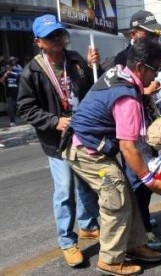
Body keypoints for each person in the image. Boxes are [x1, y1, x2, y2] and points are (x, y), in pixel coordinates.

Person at [62, 39, 161, 276]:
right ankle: (110, 260)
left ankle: (134, 245)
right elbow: (128, 147)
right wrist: (151, 180)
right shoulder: (127, 98)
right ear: (141, 67)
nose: (158, 75)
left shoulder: (119, 73)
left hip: (90, 144)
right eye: (156, 69)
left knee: (126, 195)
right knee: (116, 198)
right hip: (85, 149)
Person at [16, 14, 100, 267]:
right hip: (57, 141)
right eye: (50, 37)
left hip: (82, 135)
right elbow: (25, 108)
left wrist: (93, 65)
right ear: (38, 42)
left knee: (85, 184)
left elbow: (89, 89)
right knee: (65, 191)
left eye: (59, 35)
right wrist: (54, 121)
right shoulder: (32, 71)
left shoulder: (75, 60)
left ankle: (87, 225)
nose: (57, 40)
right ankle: (67, 241)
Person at [110, 10, 161, 251]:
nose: (154, 34)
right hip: (136, 131)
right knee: (138, 182)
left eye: (155, 29)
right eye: (148, 31)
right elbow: (121, 95)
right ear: (134, 33)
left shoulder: (160, 50)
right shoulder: (122, 59)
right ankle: (143, 232)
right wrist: (144, 93)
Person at [0, 57, 22, 126]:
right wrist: (6, 74)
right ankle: (12, 121)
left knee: (20, 106)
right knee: (10, 107)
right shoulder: (5, 73)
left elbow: (21, 78)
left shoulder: (16, 71)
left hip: (17, 91)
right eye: (7, 67)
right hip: (9, 93)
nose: (8, 68)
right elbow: (1, 81)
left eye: (9, 67)